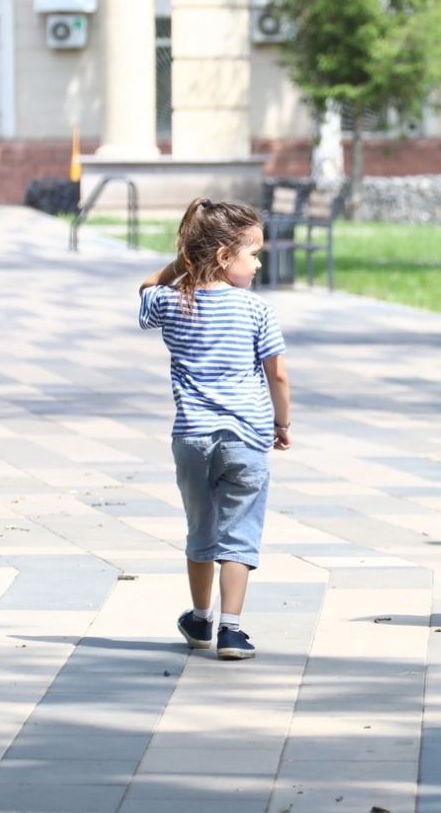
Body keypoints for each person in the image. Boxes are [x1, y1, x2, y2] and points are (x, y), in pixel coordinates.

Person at [140, 198, 291, 660]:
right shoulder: (256, 310)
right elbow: (278, 374)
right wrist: (281, 422)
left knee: (200, 530)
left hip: (191, 438)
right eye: (253, 253)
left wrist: (182, 263)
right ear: (225, 257)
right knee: (239, 532)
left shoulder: (169, 301)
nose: (260, 261)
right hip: (246, 437)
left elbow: (146, 287)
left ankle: (200, 618)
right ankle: (231, 629)